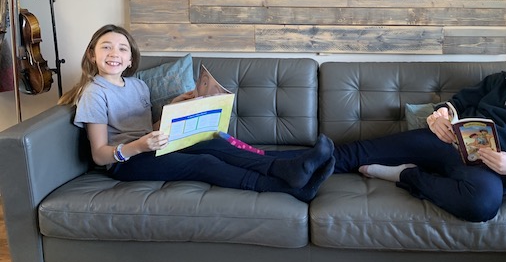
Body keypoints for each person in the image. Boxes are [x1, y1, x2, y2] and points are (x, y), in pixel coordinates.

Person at [331, 22, 506, 222]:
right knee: (350, 153)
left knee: (481, 204)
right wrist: (440, 116)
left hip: (487, 169)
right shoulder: (499, 81)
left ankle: (406, 174)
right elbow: (456, 102)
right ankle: (294, 171)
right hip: (446, 145)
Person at [58, 24, 335, 203]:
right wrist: (138, 146)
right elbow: (99, 154)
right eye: (105, 47)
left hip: (150, 148)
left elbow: (148, 129)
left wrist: (177, 107)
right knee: (204, 163)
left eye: (122, 48)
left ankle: (290, 168)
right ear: (92, 55)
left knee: (214, 142)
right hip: (126, 163)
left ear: (130, 59)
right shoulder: (95, 93)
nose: (114, 53)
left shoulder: (137, 85)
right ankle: (292, 188)